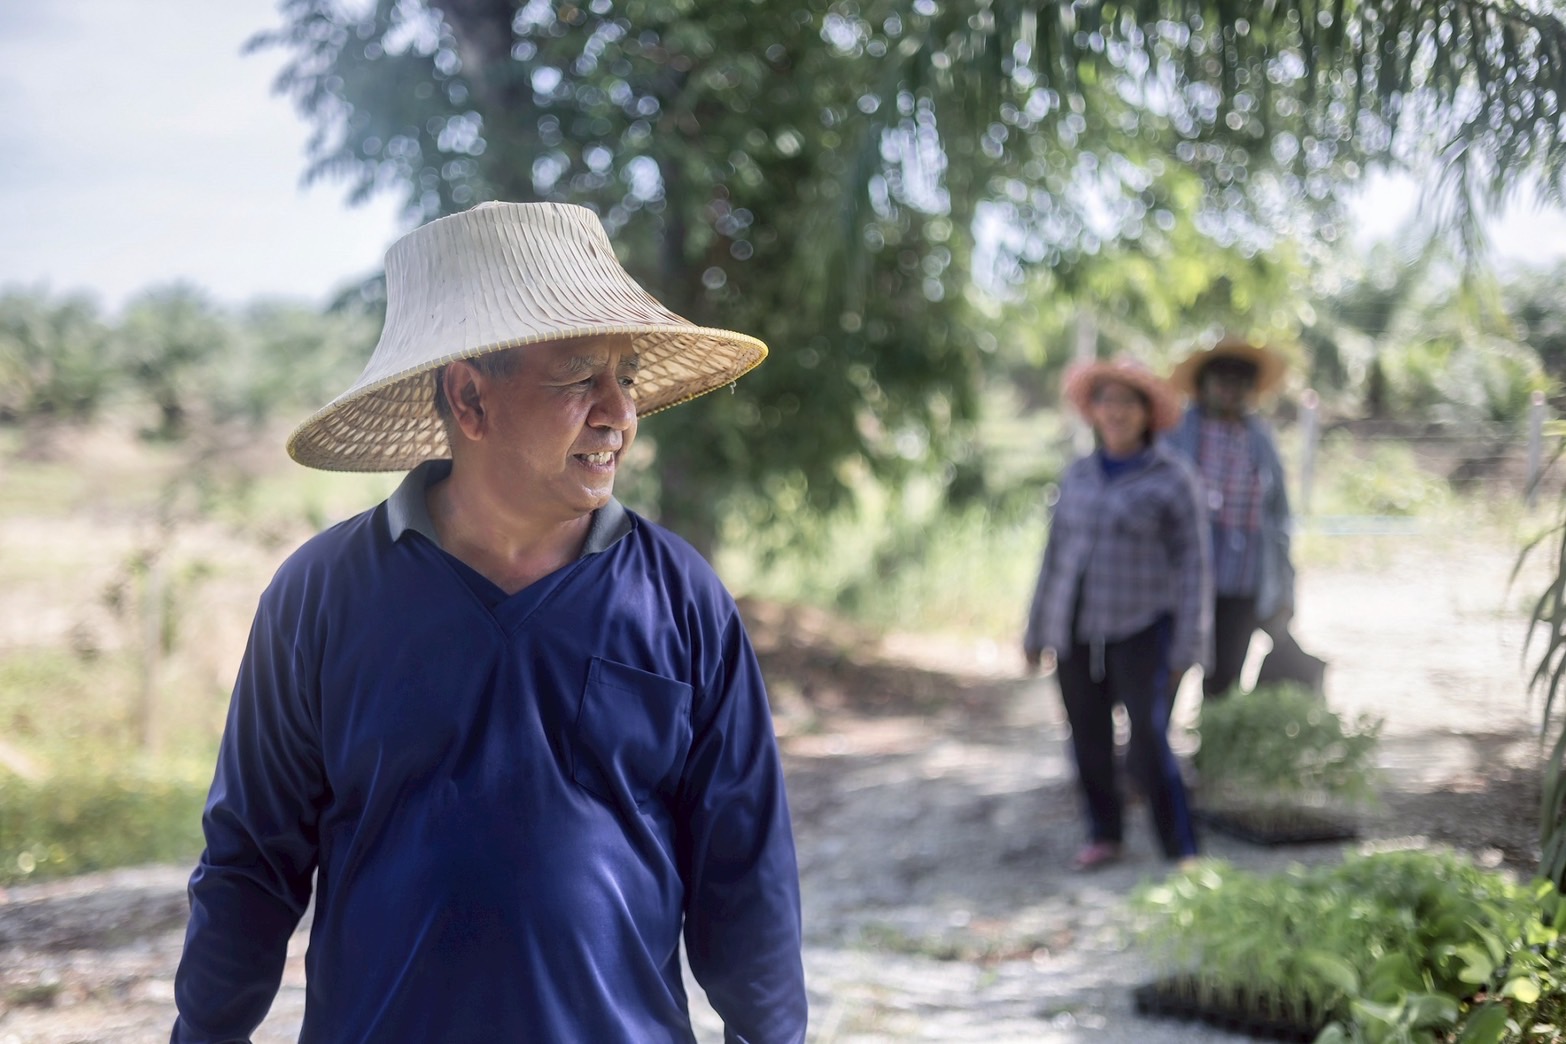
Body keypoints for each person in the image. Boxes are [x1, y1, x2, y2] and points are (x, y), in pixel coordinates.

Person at [170, 202, 808, 1043]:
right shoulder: (322, 598)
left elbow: (746, 875)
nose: (619, 412)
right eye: (580, 376)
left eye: (628, 376)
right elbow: (250, 866)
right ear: (470, 397)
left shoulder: (679, 598)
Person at [1022, 358, 1211, 870]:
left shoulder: (1174, 479)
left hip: (1143, 625)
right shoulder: (1079, 475)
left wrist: (1189, 645)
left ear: (1147, 413)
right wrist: (1036, 629)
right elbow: (1054, 555)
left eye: (1128, 402)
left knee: (1149, 739)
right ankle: (1104, 833)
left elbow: (1195, 567)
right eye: (1106, 400)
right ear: (1094, 411)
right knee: (1086, 735)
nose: (1116, 411)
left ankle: (1181, 848)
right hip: (1074, 627)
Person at [1163, 334, 1295, 699]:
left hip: (1243, 581)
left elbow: (1280, 518)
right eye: (1222, 378)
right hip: (1183, 580)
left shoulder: (1260, 439)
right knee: (1168, 673)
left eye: (1239, 380)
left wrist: (1284, 590)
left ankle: (1211, 754)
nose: (1229, 388)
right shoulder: (1177, 433)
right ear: (1204, 383)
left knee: (1224, 682)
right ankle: (1153, 754)